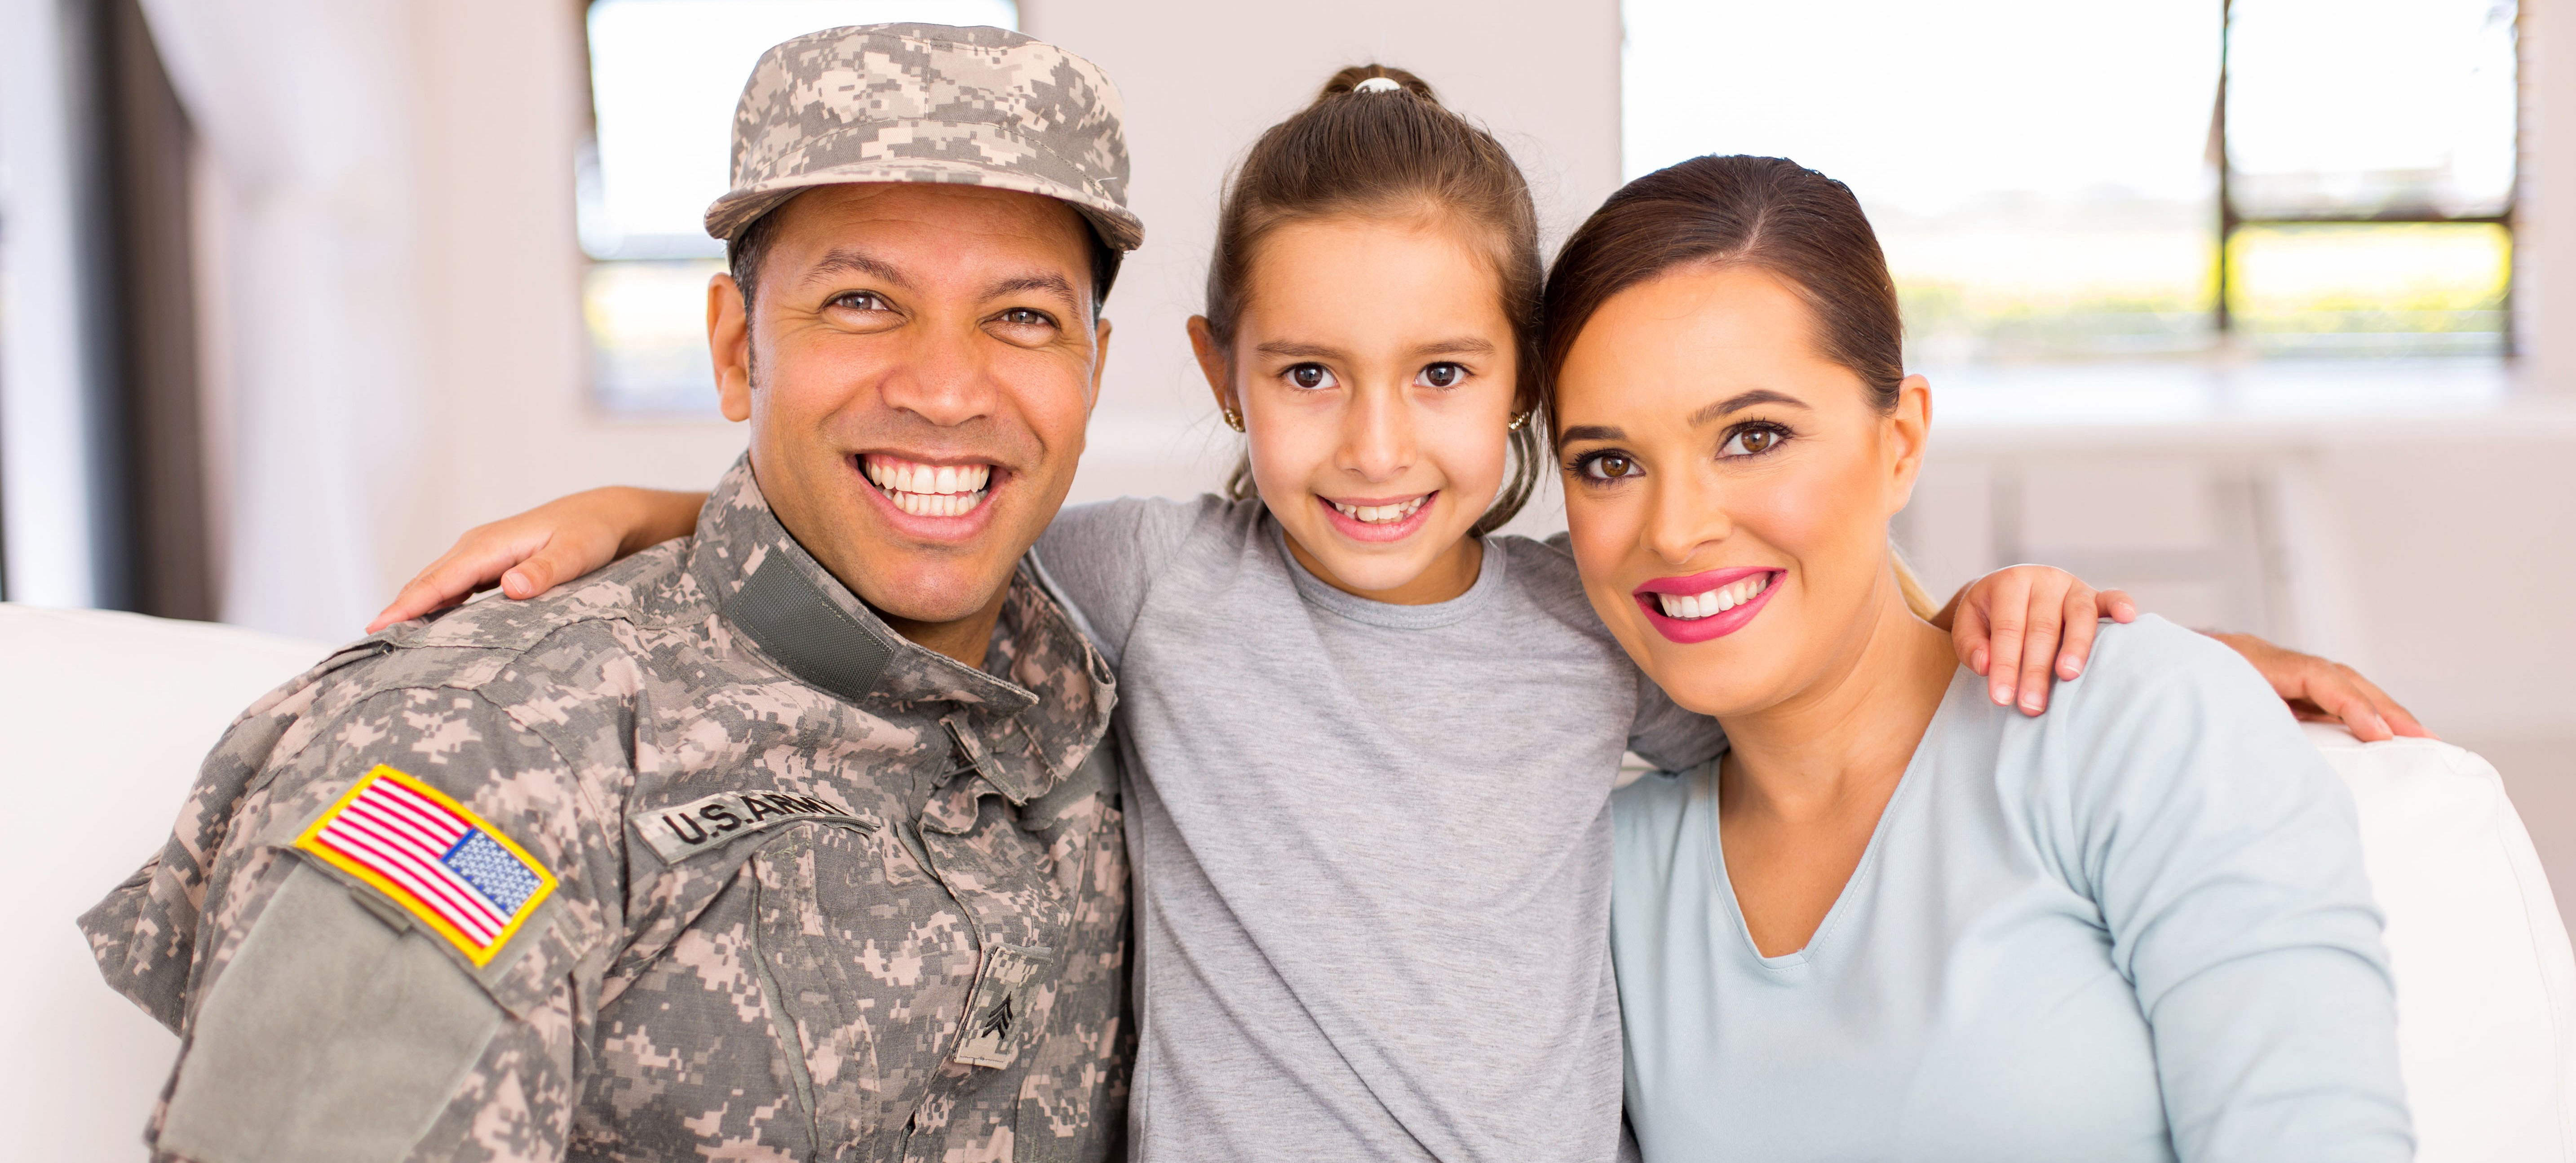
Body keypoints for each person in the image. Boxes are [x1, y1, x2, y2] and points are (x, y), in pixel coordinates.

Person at [370, 71, 2426, 1162]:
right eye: (1303, 379)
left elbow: (1844, 671)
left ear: (1516, 394)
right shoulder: (1149, 587)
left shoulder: (1590, 639)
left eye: (1444, 380)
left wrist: (2104, 643)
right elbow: (910, 540)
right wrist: (658, 505)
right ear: (1212, 367)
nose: (1370, 447)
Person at [81, 24, 1143, 1162]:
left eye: (1022, 316)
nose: (943, 388)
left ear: (1093, 367)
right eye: (861, 303)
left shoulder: (1120, 688)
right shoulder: (485, 756)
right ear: (737, 351)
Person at [1542, 155, 2412, 1161]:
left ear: (1899, 442)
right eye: (1607, 463)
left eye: (1751, 436)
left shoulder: (2136, 723)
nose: (1675, 528)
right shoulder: (1604, 876)